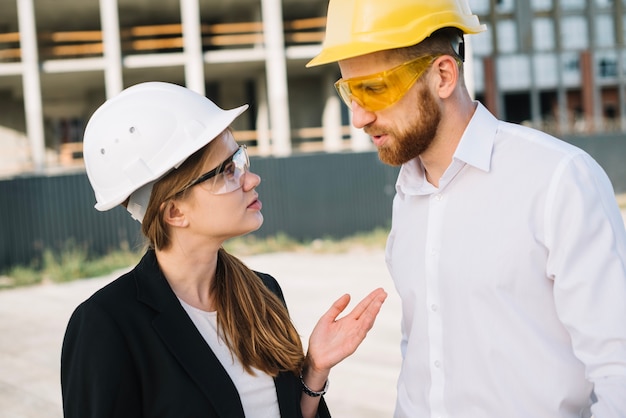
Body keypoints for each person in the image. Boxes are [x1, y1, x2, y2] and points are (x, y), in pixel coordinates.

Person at [307, 0, 626, 417]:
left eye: (375, 88)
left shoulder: (558, 180)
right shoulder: (408, 194)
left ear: (443, 75)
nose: (359, 117)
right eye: (350, 91)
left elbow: (617, 368)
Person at [60, 81, 388, 418]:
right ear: (175, 211)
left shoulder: (262, 293)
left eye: (239, 159)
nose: (251, 179)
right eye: (227, 171)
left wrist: (315, 370)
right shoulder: (107, 326)